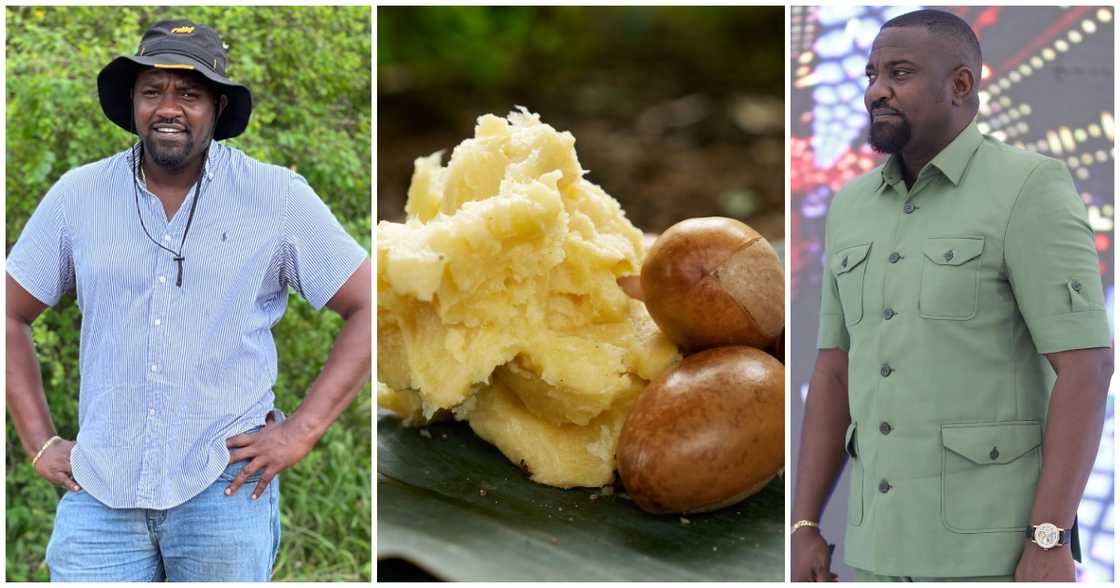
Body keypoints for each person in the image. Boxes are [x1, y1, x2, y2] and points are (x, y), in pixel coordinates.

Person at [5, 19, 371, 581]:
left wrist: (300, 432)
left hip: (222, 492)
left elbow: (369, 304)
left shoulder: (276, 198)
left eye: (189, 93)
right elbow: (9, 311)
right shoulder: (79, 196)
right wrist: (39, 441)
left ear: (218, 109)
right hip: (100, 496)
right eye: (153, 91)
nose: (169, 107)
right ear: (132, 103)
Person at [790, 9, 1112, 582]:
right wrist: (805, 526)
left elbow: (1086, 367)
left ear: (961, 84)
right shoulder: (851, 206)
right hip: (873, 551)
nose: (876, 92)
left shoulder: (1029, 187)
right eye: (870, 75)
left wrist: (1049, 538)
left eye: (900, 72)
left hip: (994, 558)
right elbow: (836, 370)